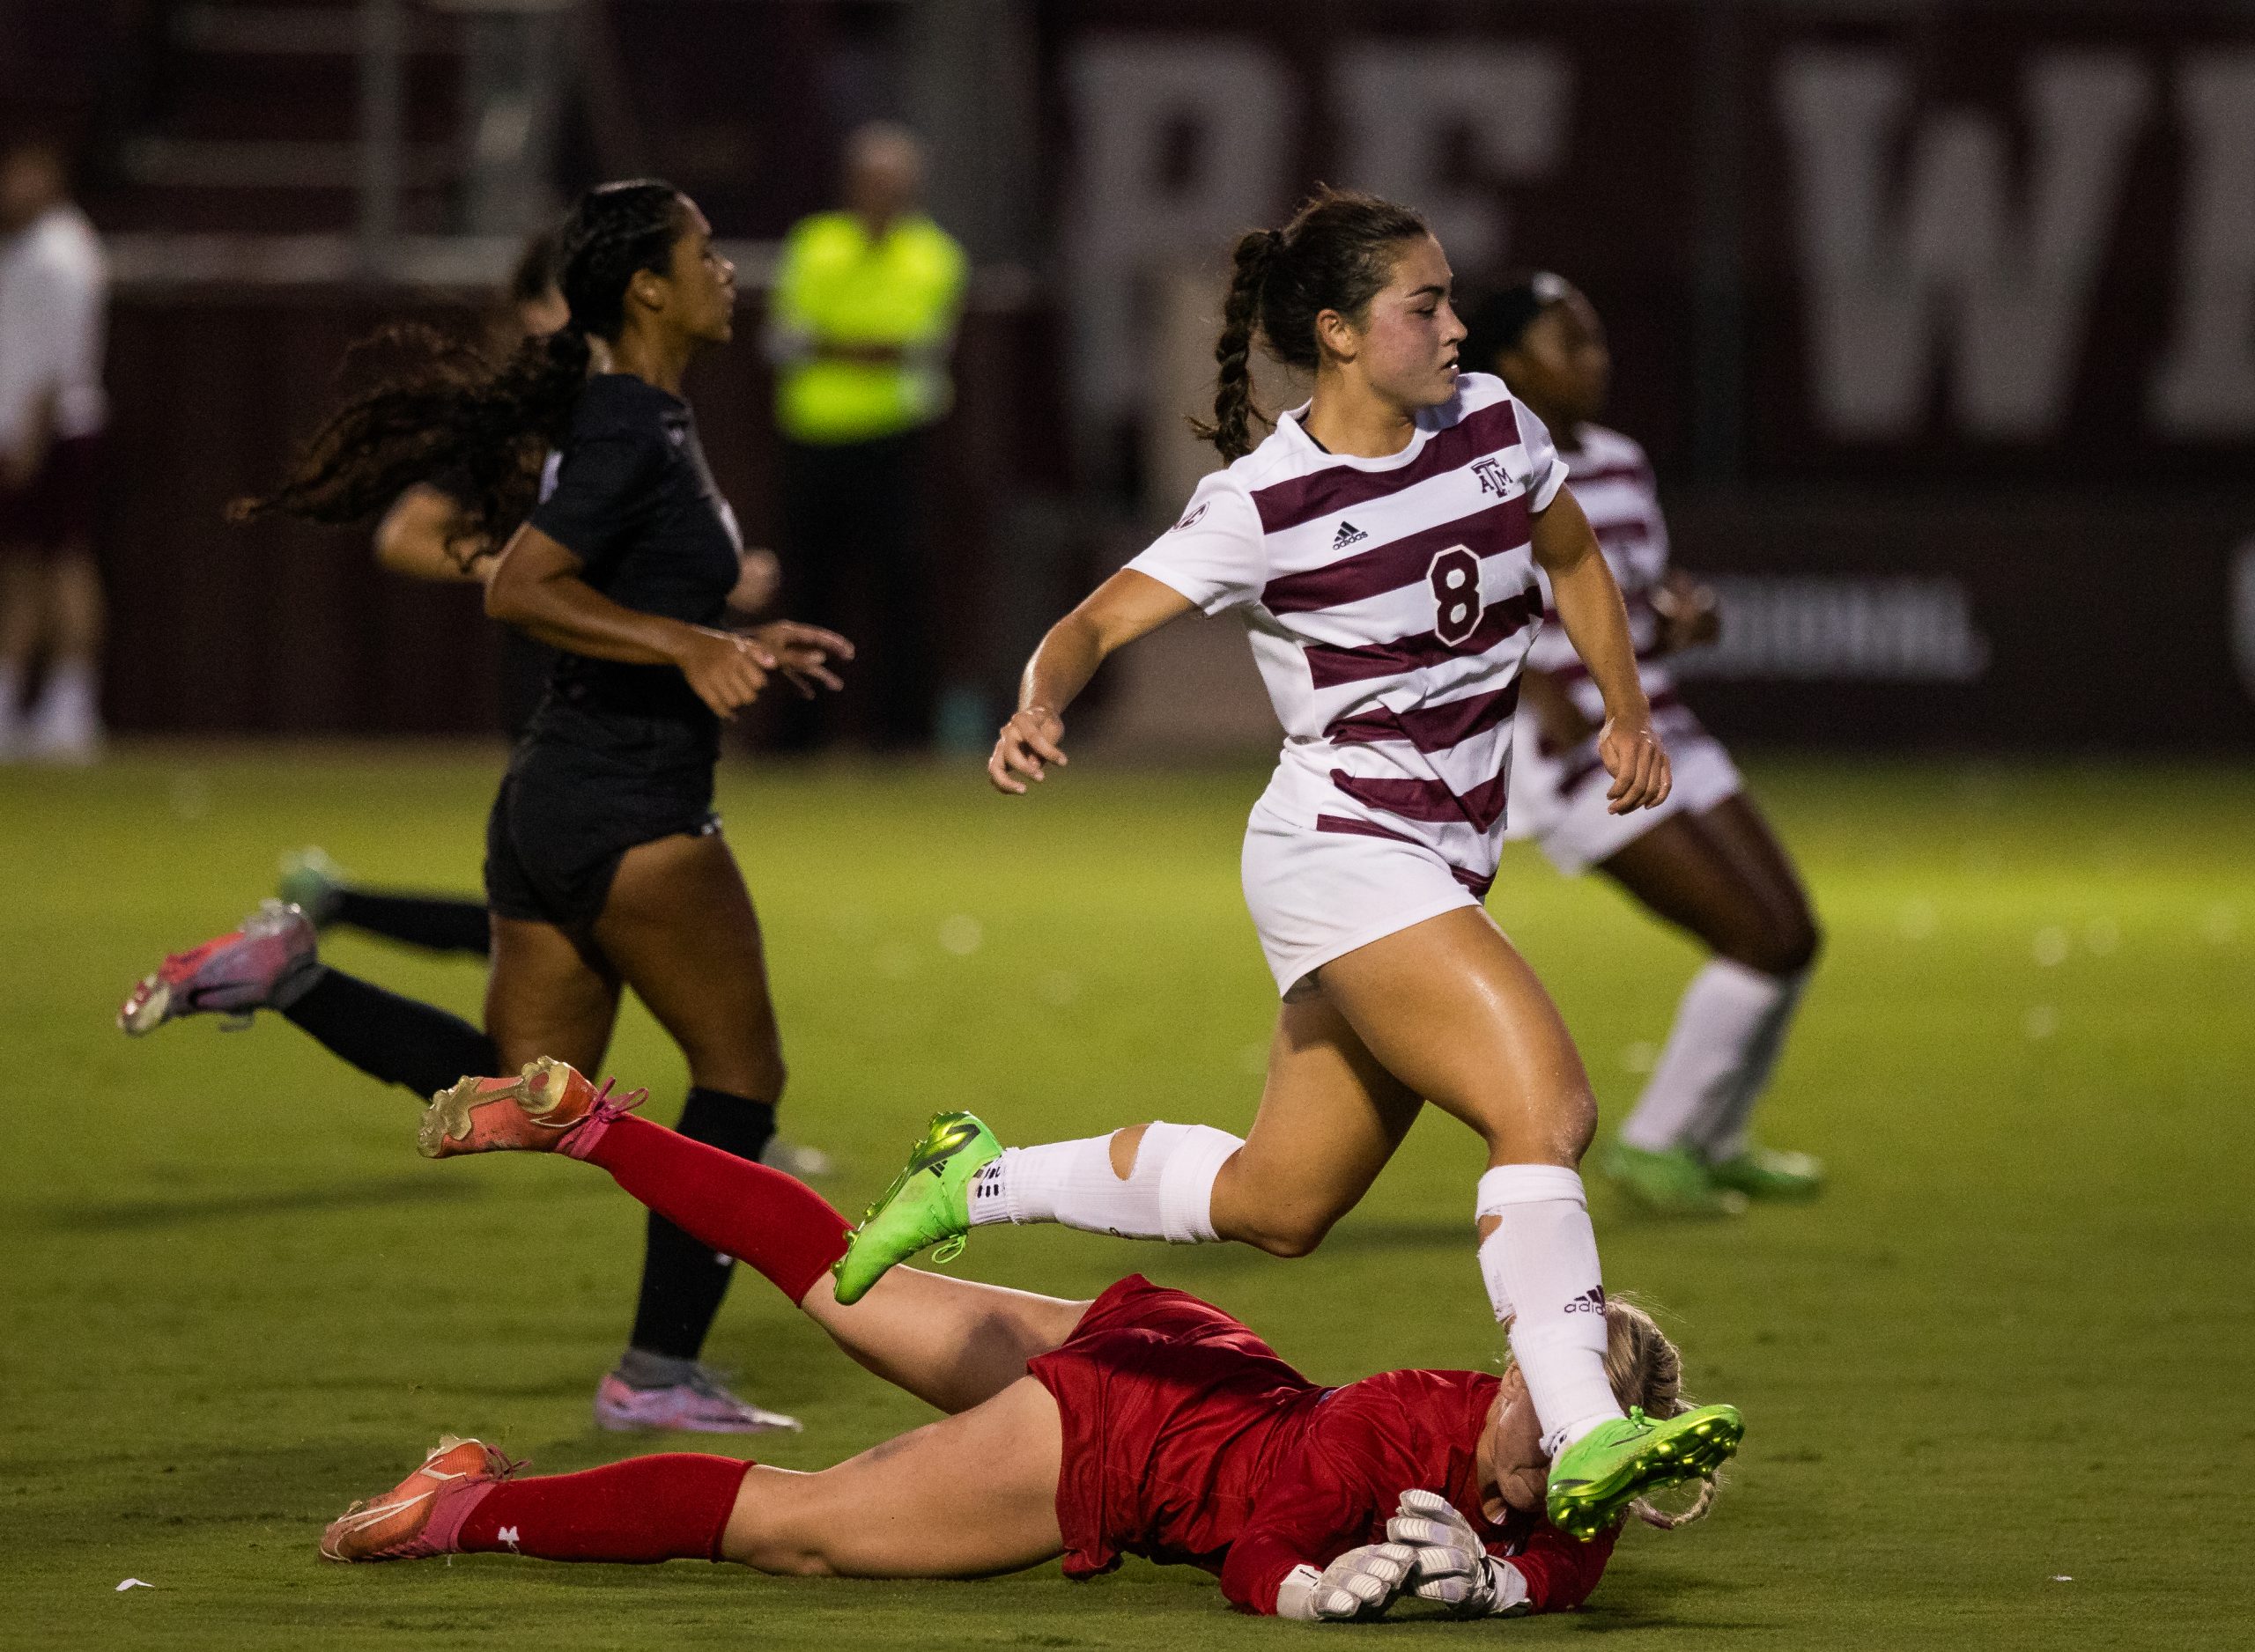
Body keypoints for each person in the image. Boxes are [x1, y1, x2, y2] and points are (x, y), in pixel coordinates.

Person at [831, 188, 1734, 1530]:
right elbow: (1090, 620)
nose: (1454, 323)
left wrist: (1627, 708)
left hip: (1437, 860)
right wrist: (1038, 699)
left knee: (1282, 1201)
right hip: (1344, 851)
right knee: (1544, 1112)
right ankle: (1585, 1425)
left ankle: (976, 1177)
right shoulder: (1260, 502)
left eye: (1447, 298)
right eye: (1422, 305)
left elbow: (1572, 555)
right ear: (1339, 331)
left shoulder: (1496, 420)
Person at [115, 180, 851, 1434]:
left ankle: (291, 975)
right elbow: (518, 586)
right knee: (741, 1079)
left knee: (521, 1089)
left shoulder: (638, 413)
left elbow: (602, 582)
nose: (729, 270)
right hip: (628, 800)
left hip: (554, 792)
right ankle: (655, 1375)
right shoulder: (632, 424)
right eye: (706, 253)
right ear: (649, 290)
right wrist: (686, 644)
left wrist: (732, 635)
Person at [321, 1058, 1739, 1622]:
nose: (1545, 1462)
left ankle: (595, 1126)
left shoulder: (1581, 1476)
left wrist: (1498, 1585)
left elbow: (1563, 1564)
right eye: (1541, 1425)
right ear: (1514, 1376)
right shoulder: (1394, 1427)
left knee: (837, 1277)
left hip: (1184, 1350)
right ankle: (456, 1514)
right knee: (800, 1527)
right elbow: (1262, 1555)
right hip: (1124, 1442)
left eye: (1563, 1452)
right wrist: (1319, 1593)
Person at [1463, 275, 1822, 1217]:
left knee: (1792, 936)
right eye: (1567, 344)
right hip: (1575, 756)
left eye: (1595, 340)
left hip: (1657, 720)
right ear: (1509, 367)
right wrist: (1532, 688)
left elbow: (1632, 604)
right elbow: (1459, 610)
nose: (1594, 360)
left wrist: (1681, 618)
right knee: (1751, 939)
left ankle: (1715, 1138)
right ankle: (1659, 1144)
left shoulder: (1618, 461)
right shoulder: (1479, 469)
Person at [765, 122, 965, 749]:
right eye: (872, 181)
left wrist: (836, 346)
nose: (883, 193)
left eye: (894, 182)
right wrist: (865, 349)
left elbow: (918, 349)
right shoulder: (815, 243)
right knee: (807, 588)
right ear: (851, 184)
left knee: (902, 590)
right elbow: (785, 340)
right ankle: (795, 739)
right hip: (814, 438)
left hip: (895, 442)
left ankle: (903, 736)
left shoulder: (935, 255)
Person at [0, 136, 108, 763]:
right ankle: (15, 699)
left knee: (64, 561)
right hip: (22, 431)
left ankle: (72, 705)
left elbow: (57, 363)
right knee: (18, 568)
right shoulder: (22, 251)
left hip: (57, 432)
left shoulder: (63, 255)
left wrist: (32, 440)